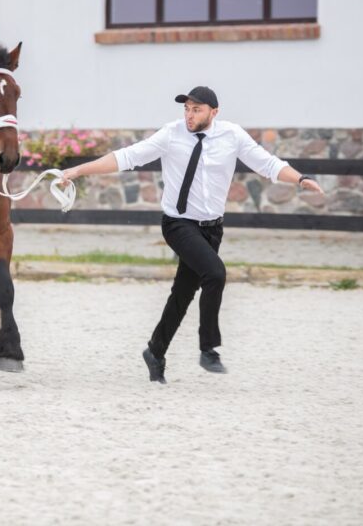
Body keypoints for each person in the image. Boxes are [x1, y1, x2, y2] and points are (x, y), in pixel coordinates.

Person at [61, 86, 324, 384]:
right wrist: (78, 171)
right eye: (186, 108)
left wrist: (300, 179)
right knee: (215, 273)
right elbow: (126, 157)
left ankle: (155, 351)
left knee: (183, 294)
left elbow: (268, 164)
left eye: (196, 109)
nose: (189, 114)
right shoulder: (171, 134)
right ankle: (209, 348)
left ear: (214, 112)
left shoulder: (232, 136)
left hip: (212, 228)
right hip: (178, 224)